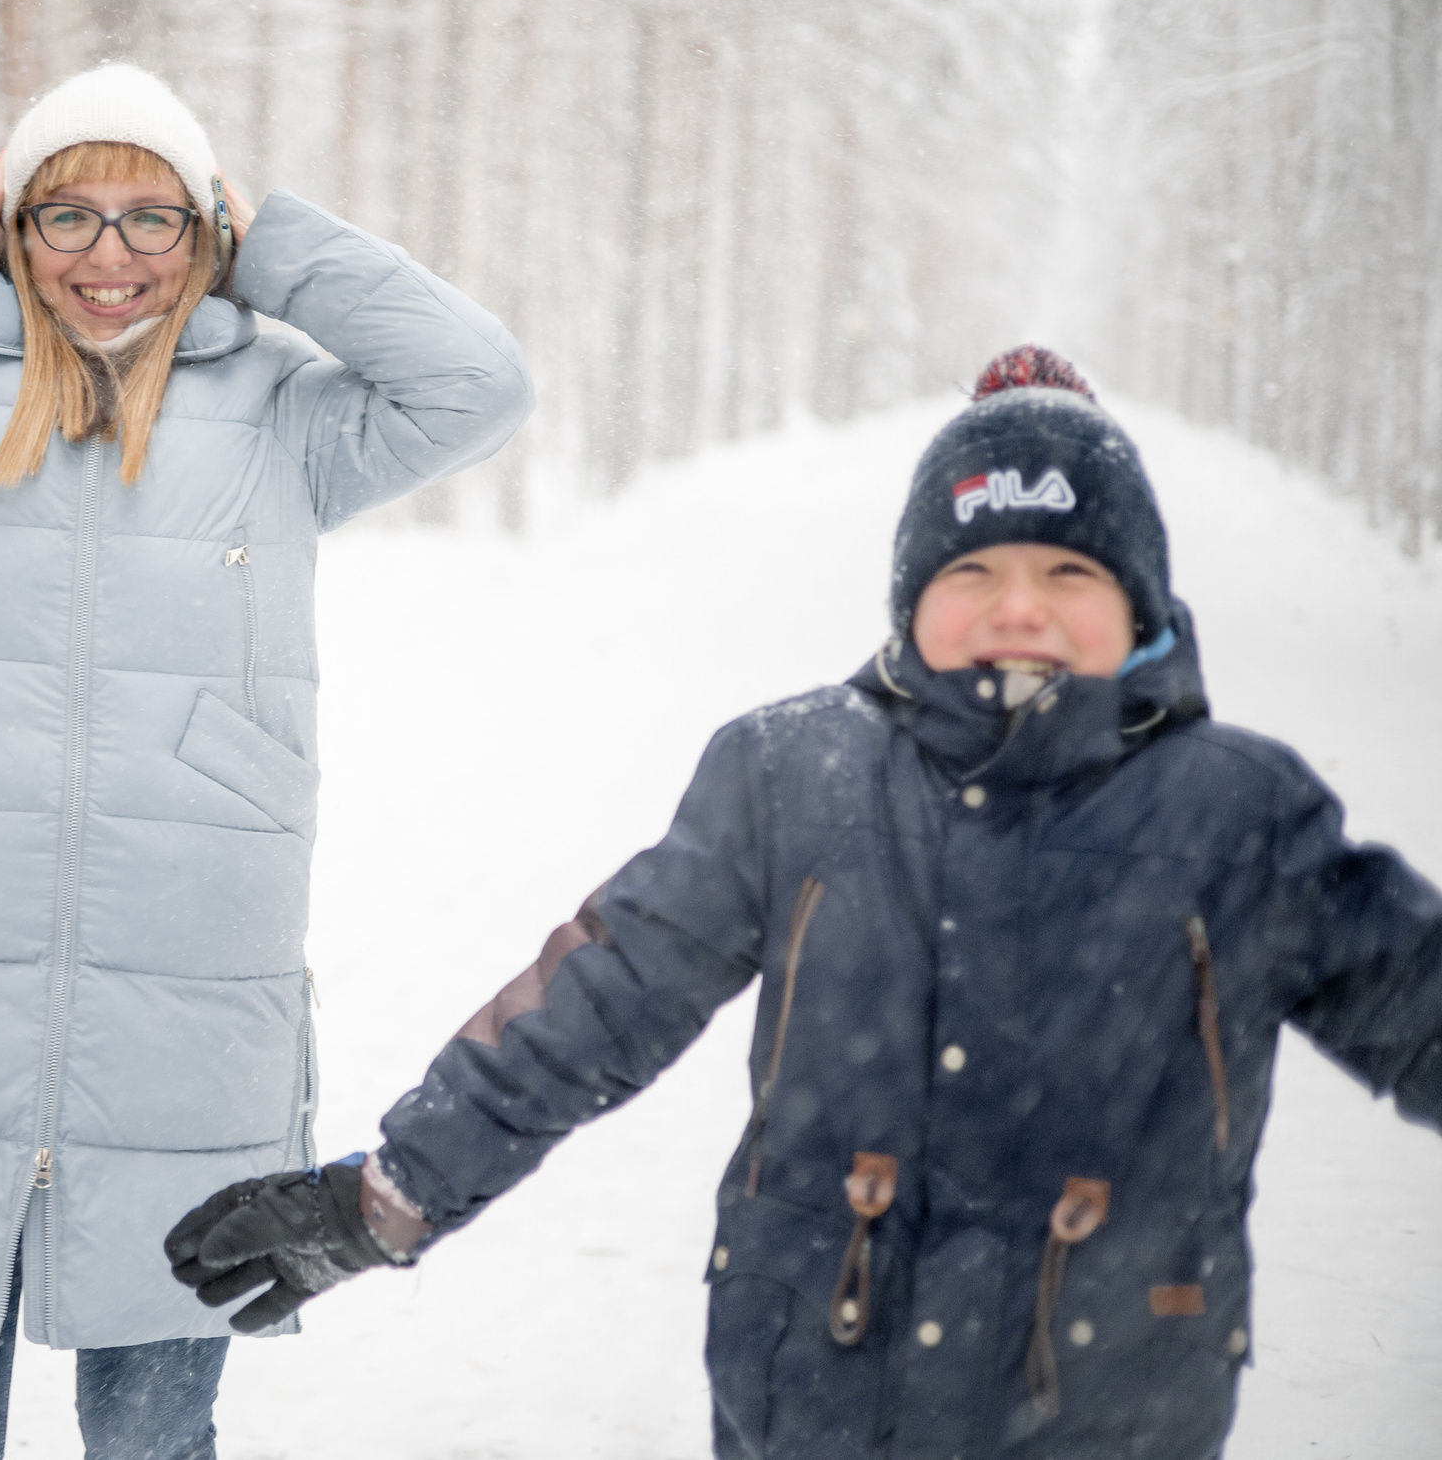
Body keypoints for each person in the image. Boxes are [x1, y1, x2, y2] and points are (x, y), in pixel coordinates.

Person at [165, 346, 1442, 1460]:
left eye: (1068, 572)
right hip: (820, 1383)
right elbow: (598, 1003)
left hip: (1111, 1400)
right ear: (909, 595)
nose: (1017, 609)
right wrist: (386, 1196)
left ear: (1140, 604)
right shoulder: (794, 775)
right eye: (974, 568)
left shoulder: (1239, 817)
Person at [0, 62, 532, 1457]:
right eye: (68, 216)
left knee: (150, 1442)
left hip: (184, 1011)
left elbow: (481, 383)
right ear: (15, 225)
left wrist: (281, 245)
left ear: (207, 235)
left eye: (153, 219)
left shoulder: (288, 420)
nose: (110, 258)